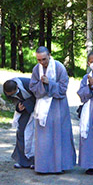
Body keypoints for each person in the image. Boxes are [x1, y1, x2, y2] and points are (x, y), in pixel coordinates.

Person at [29, 46, 76, 174]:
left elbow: (63, 89)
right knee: (43, 138)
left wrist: (50, 83)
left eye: (44, 59)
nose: (42, 63)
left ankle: (59, 166)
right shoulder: (36, 69)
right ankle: (43, 167)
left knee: (59, 135)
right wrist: (42, 84)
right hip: (42, 107)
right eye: (39, 60)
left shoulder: (59, 67)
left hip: (58, 106)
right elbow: (33, 88)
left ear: (49, 55)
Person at [3, 77, 35, 169]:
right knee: (21, 131)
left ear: (17, 87)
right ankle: (21, 160)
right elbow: (13, 100)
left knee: (33, 133)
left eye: (13, 93)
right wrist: (18, 107)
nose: (12, 95)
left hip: (35, 107)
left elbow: (39, 95)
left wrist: (27, 104)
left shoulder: (28, 84)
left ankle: (35, 160)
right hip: (24, 109)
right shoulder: (7, 90)